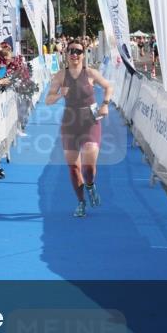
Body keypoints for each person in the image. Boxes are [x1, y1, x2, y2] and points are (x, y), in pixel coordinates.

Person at [45, 39, 114, 218]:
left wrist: (105, 104)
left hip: (90, 121)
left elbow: (108, 86)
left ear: (83, 55)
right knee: (74, 168)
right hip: (69, 123)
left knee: (89, 167)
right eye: (71, 51)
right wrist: (60, 94)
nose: (74, 54)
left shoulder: (90, 73)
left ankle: (90, 185)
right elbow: (48, 100)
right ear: (66, 54)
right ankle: (81, 202)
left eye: (78, 51)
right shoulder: (60, 75)